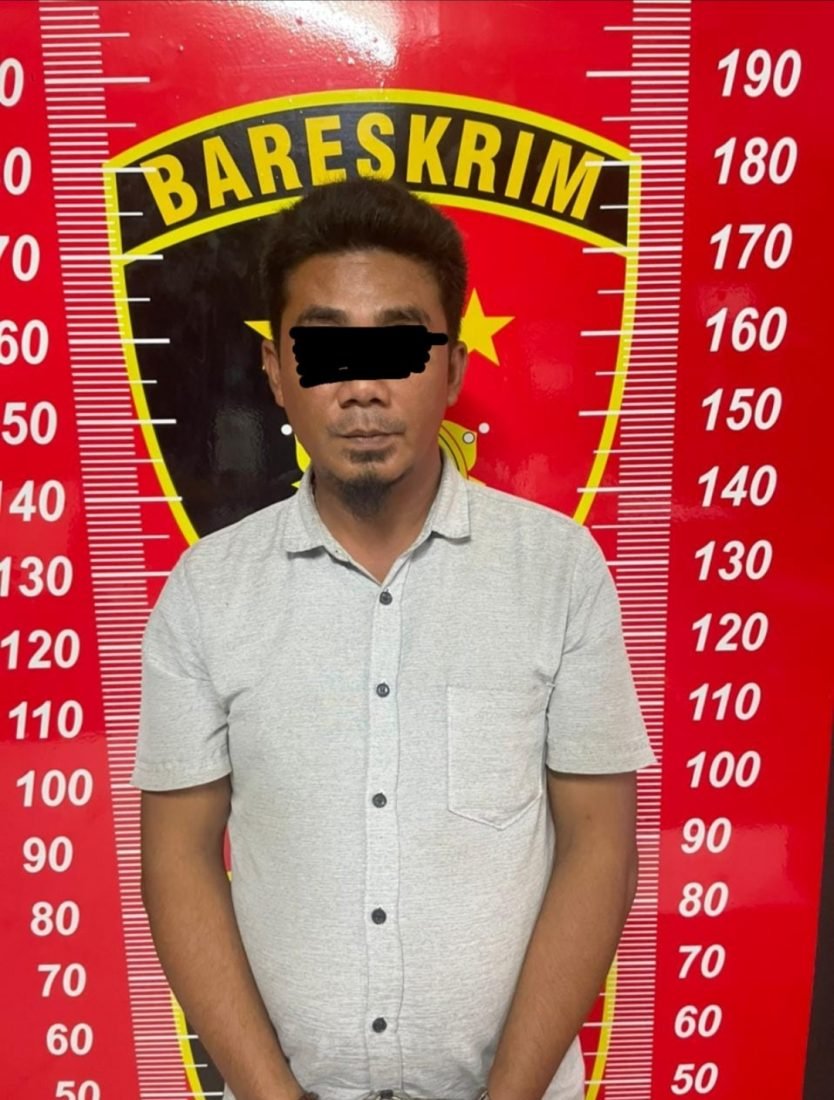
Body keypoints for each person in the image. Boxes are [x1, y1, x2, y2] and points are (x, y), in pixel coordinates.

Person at [131, 177, 657, 1100]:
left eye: (400, 345)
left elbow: (598, 846)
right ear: (277, 370)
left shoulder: (559, 571)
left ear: (452, 368)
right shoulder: (205, 594)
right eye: (327, 347)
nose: (364, 388)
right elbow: (176, 858)